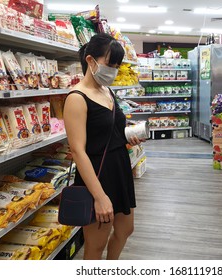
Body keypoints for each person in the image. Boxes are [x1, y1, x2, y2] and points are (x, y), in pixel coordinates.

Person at [63, 33, 144, 260]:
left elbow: (109, 131)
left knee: (126, 229)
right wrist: (99, 196)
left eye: (118, 66)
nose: (115, 71)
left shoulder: (107, 91)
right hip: (97, 177)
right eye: (111, 64)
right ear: (91, 61)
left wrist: (128, 136)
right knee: (95, 245)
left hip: (119, 170)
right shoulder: (77, 98)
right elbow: (78, 151)